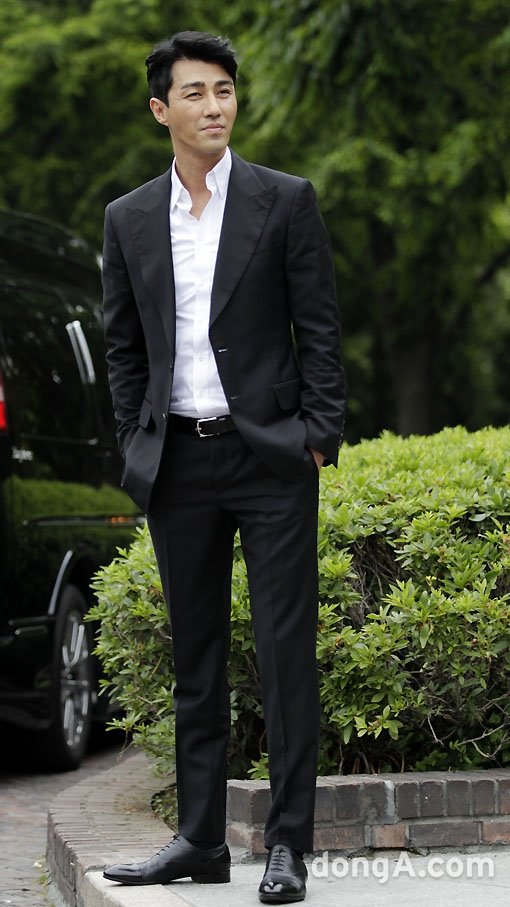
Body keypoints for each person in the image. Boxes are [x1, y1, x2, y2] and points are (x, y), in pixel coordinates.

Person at [101, 30, 346, 905]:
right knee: (197, 661)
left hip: (270, 457)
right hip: (178, 461)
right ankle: (201, 840)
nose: (215, 106)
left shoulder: (285, 200)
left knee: (285, 656)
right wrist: (135, 439)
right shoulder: (130, 217)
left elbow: (319, 326)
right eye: (195, 93)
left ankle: (287, 846)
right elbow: (123, 345)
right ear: (160, 109)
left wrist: (319, 433)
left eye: (225, 91)